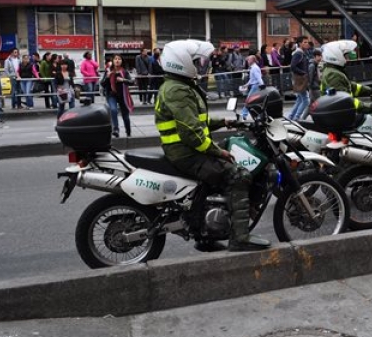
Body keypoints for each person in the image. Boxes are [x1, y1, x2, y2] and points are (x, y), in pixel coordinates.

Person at [154, 39, 269, 252]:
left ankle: (205, 235)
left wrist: (224, 122)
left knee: (220, 171)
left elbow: (195, 121)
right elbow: (191, 133)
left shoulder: (180, 86)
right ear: (182, 63)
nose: (203, 65)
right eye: (197, 61)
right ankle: (240, 237)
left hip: (186, 150)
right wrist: (218, 152)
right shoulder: (177, 90)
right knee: (238, 175)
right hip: (186, 153)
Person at [320, 39, 372, 114]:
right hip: (340, 116)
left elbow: (349, 86)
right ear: (336, 56)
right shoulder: (333, 75)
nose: (347, 58)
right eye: (345, 55)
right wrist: (368, 106)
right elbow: (345, 101)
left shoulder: (333, 70)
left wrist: (370, 91)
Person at [101, 55, 134, 138]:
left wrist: (123, 80)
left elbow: (132, 82)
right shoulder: (108, 71)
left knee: (125, 116)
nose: (117, 60)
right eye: (115, 59)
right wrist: (107, 77)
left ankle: (128, 131)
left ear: (121, 61)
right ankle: (116, 129)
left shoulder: (124, 72)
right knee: (113, 110)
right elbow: (102, 84)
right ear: (113, 61)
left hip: (123, 96)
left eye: (119, 59)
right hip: (111, 95)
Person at [287, 37, 311, 120]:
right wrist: (303, 73)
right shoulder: (298, 53)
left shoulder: (303, 53)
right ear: (300, 43)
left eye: (307, 42)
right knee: (306, 100)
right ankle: (296, 118)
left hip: (301, 79)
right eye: (305, 42)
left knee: (300, 100)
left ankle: (291, 117)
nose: (307, 44)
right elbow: (293, 66)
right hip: (300, 79)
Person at [240, 55, 263, 121]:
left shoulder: (254, 68)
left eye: (248, 60)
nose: (247, 61)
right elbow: (252, 79)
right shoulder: (253, 68)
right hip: (255, 85)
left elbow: (258, 77)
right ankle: (258, 115)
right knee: (254, 101)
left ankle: (243, 115)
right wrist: (246, 85)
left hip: (255, 86)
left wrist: (262, 84)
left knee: (248, 101)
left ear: (252, 60)